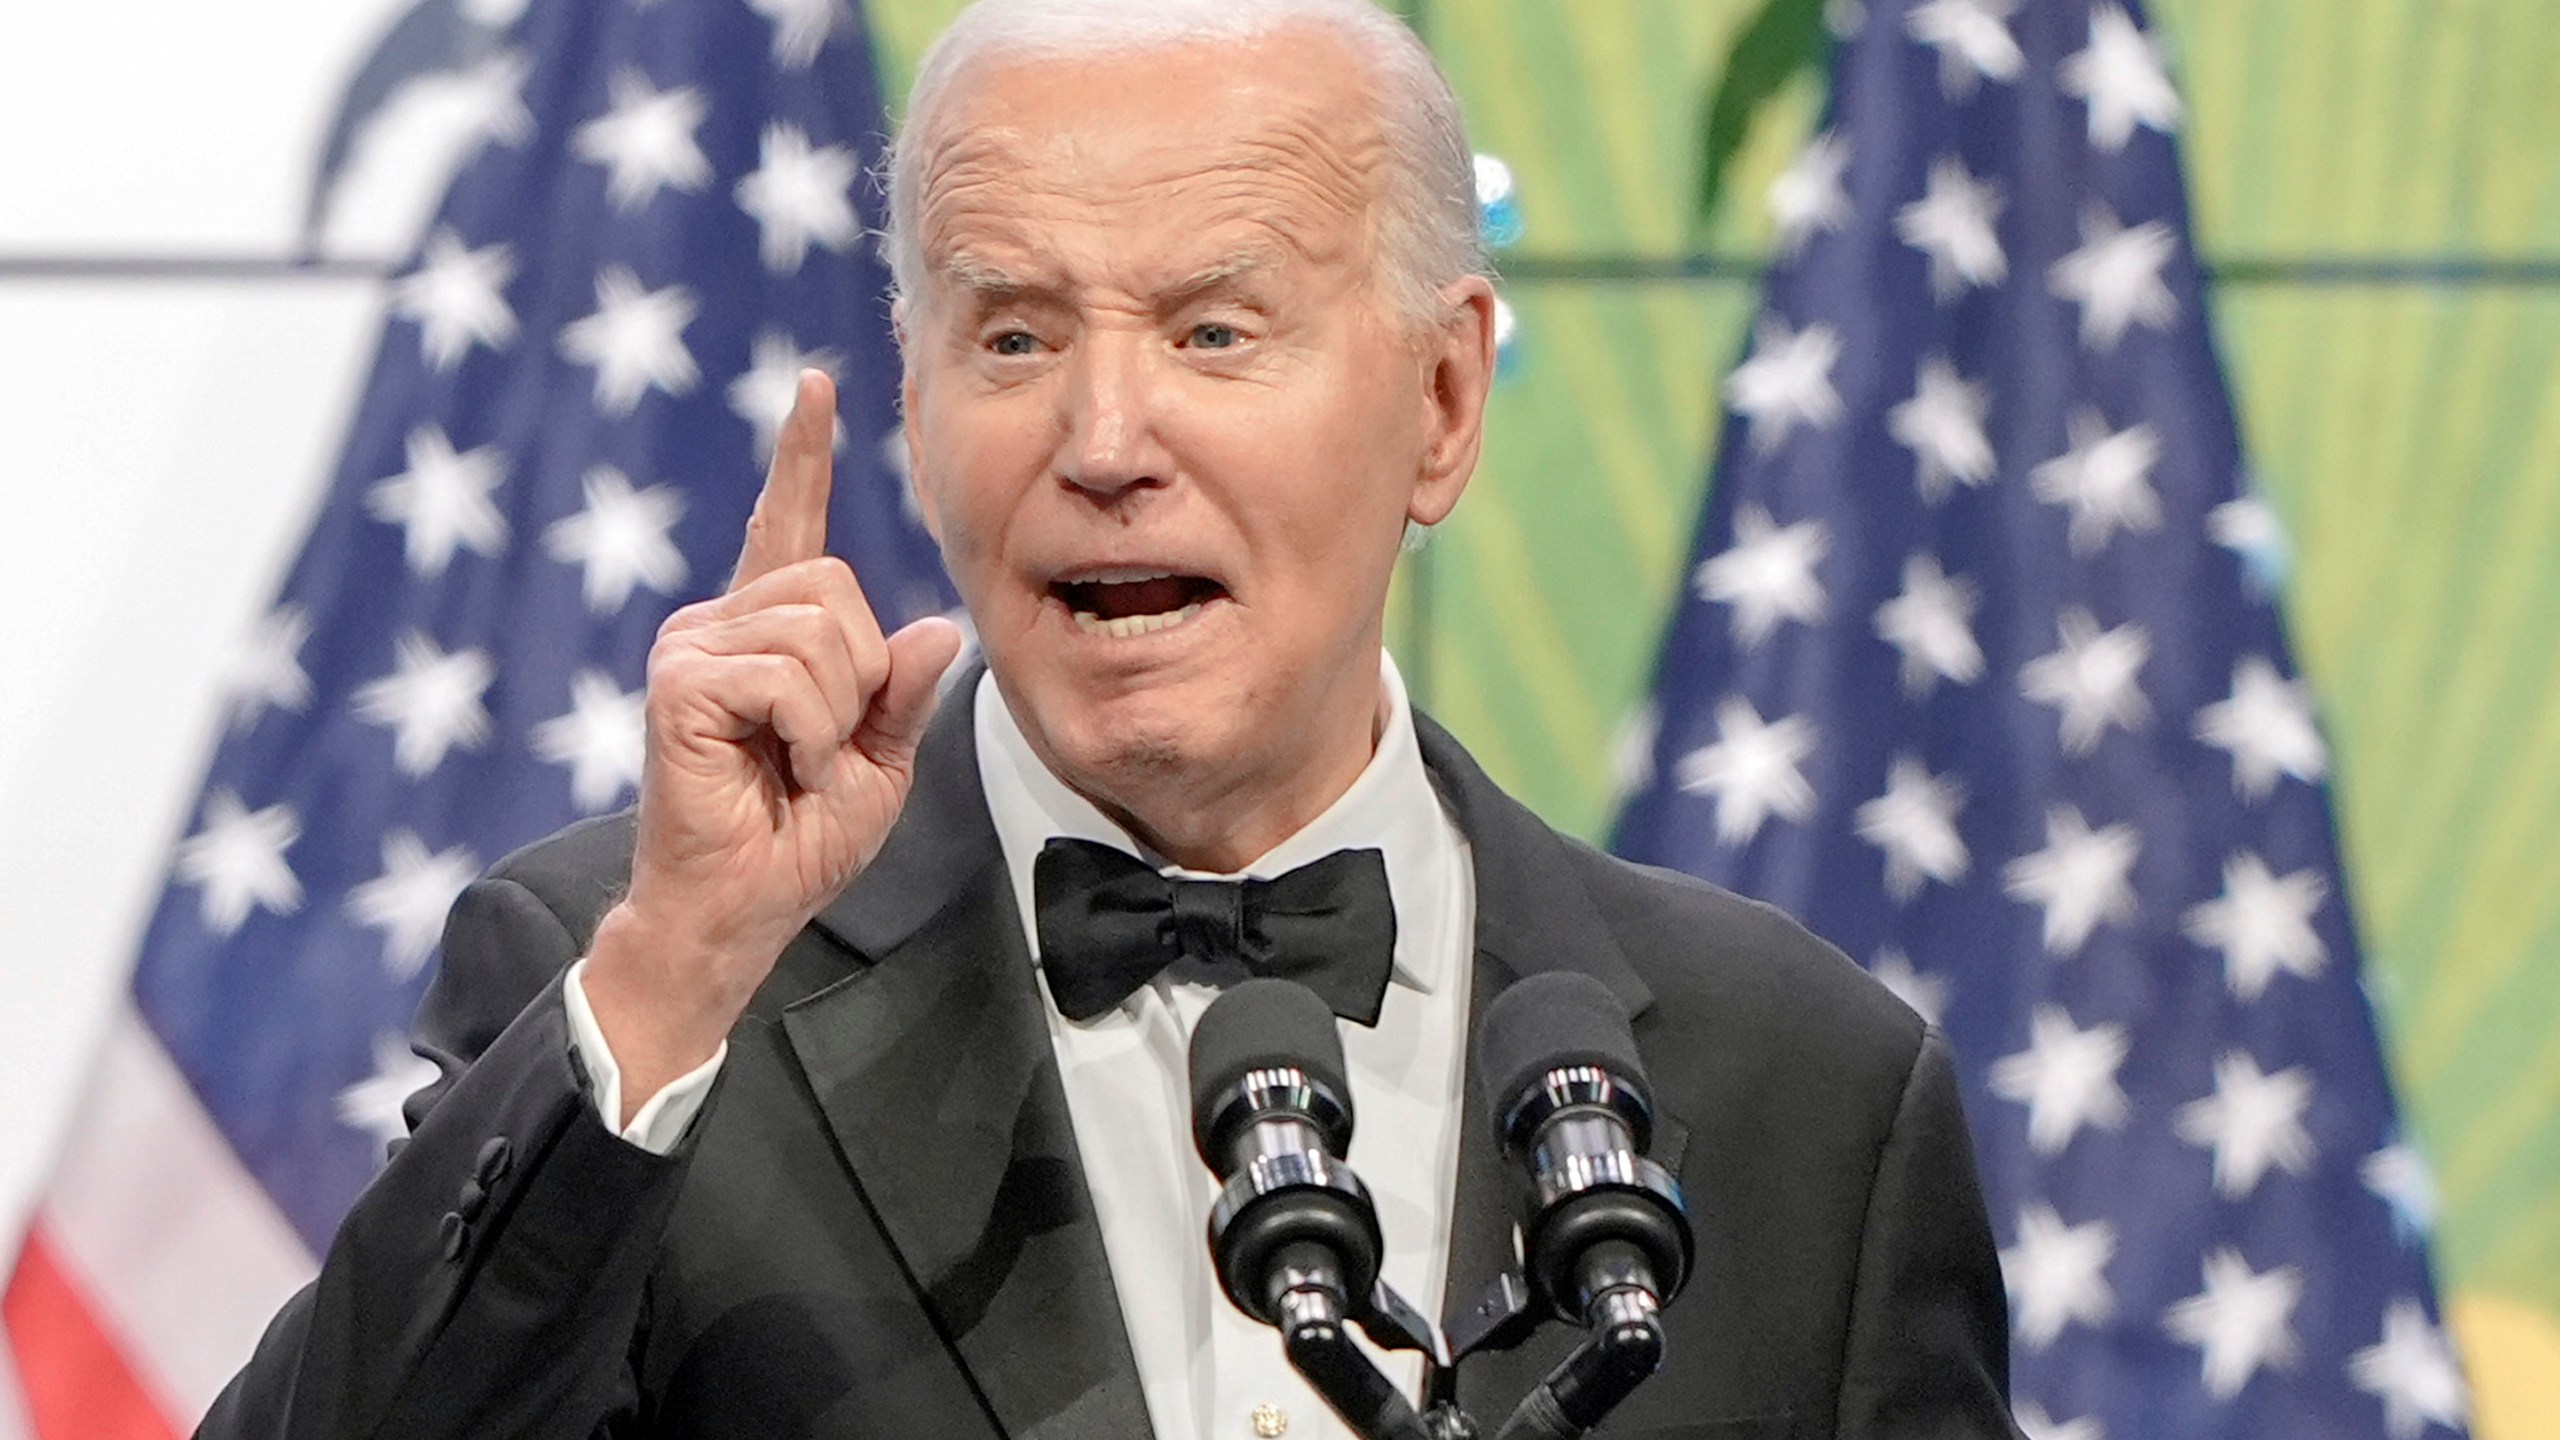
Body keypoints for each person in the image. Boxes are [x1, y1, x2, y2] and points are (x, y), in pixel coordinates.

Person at [202, 1, 2020, 1436]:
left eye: (1216, 332)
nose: (1101, 441)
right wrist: (677, 972)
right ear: (912, 404)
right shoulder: (643, 1005)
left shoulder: (1810, 1096)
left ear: (1445, 399)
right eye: (1011, 339)